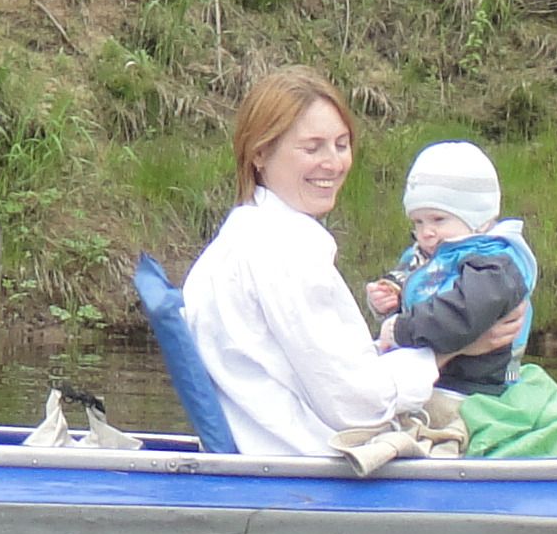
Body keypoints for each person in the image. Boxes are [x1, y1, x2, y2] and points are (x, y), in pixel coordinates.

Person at [178, 68, 441, 459]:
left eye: (341, 144)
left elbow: (321, 371)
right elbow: (358, 405)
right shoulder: (282, 252)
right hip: (302, 467)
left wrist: (387, 351)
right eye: (312, 148)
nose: (333, 163)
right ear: (260, 153)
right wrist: (444, 353)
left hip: (269, 458)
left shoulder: (240, 240)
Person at [364, 142, 557, 459]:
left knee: (388, 415)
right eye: (418, 222)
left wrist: (400, 329)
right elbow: (420, 292)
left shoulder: (494, 266)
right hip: (434, 375)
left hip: (475, 386)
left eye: (438, 219)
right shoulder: (429, 256)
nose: (426, 232)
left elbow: (459, 317)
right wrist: (390, 299)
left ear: (479, 219)